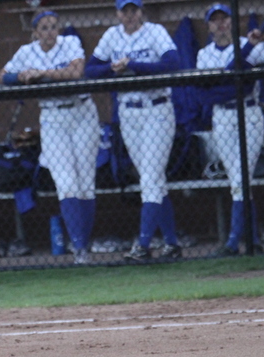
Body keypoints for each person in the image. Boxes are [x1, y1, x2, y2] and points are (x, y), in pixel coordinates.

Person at [0, 11, 100, 265]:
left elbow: (76, 72)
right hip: (53, 118)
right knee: (66, 184)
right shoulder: (27, 51)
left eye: (54, 26)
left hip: (82, 113)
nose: (50, 31)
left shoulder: (69, 43)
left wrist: (41, 73)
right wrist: (20, 76)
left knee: (86, 183)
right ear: (35, 32)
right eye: (44, 28)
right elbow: (1, 75)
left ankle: (83, 246)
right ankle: (79, 249)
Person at [85, 0, 182, 262]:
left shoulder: (155, 32)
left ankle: (142, 246)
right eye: (124, 11)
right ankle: (172, 244)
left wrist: (134, 66)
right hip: (128, 112)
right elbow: (89, 71)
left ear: (141, 11)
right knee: (154, 180)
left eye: (133, 10)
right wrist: (111, 68)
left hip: (157, 110)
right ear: (117, 13)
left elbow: (173, 63)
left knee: (149, 179)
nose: (129, 15)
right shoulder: (111, 35)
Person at [196, 4, 264, 256]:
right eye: (215, 20)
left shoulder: (251, 44)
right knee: (239, 179)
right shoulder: (205, 54)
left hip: (250, 113)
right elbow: (205, 93)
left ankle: (234, 241)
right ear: (209, 25)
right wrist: (234, 81)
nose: (221, 23)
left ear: (231, 21)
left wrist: (227, 82)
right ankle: (253, 239)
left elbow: (245, 87)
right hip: (222, 117)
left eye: (224, 18)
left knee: (241, 177)